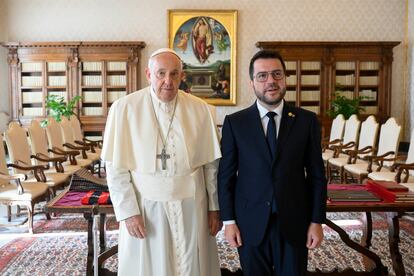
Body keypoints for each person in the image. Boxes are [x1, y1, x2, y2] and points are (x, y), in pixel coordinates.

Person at [101, 48, 222, 276]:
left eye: (174, 74)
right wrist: (128, 212)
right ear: (148, 74)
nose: (168, 81)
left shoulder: (201, 110)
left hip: (192, 207)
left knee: (192, 264)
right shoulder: (124, 109)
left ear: (182, 76)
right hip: (146, 208)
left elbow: (210, 167)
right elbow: (116, 170)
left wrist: (214, 207)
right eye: (161, 73)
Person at [218, 50, 327, 276]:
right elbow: (226, 177)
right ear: (252, 82)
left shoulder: (306, 121)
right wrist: (229, 221)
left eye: (277, 74)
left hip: (295, 222)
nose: (271, 81)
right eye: (262, 76)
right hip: (250, 223)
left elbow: (317, 175)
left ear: (285, 78)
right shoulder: (235, 123)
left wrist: (317, 220)